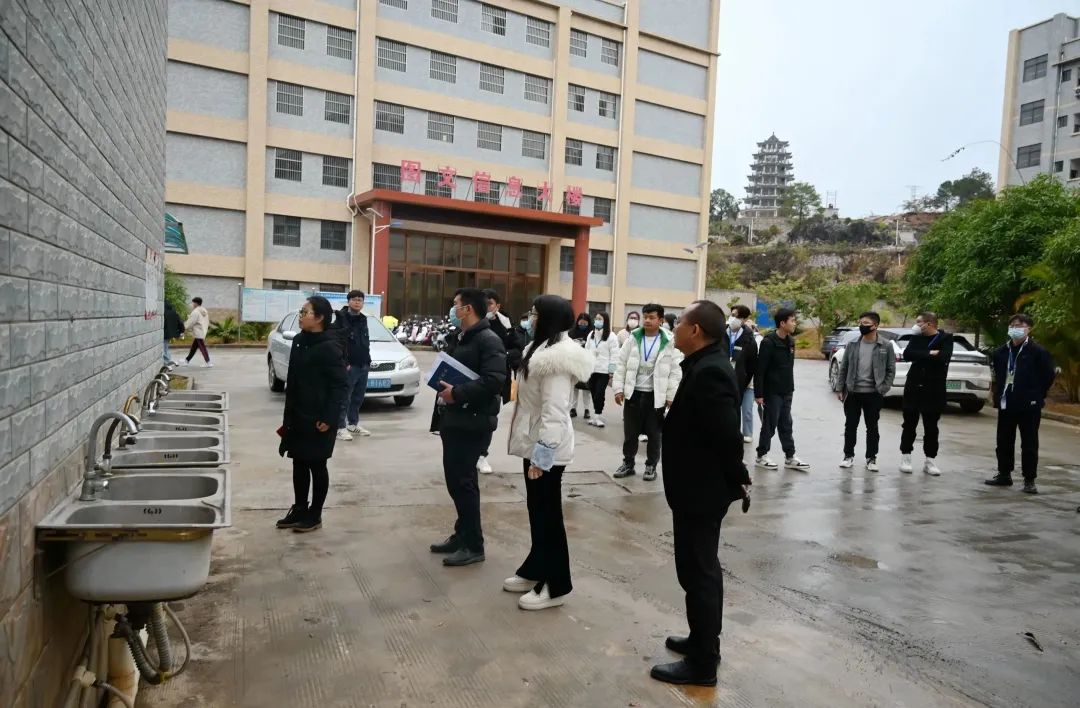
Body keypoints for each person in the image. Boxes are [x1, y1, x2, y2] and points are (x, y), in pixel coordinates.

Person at [650, 300, 751, 687]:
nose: (673, 327)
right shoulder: (702, 364)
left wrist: (739, 476)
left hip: (701, 491)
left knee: (700, 573)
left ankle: (703, 663)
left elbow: (727, 435)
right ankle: (701, 640)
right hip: (694, 488)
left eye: (678, 323)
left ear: (695, 331)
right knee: (695, 571)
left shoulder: (711, 371)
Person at [504, 295, 593, 610]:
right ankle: (536, 567)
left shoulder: (557, 358)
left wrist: (542, 458)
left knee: (548, 516)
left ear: (548, 318)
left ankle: (556, 585)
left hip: (547, 449)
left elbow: (555, 412)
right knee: (537, 511)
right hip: (535, 441)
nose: (530, 318)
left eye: (534, 313)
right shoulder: (539, 348)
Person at [430, 288, 507, 566]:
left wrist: (458, 393)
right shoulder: (461, 337)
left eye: (456, 305)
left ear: (468, 309)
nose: (453, 310)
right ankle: (461, 534)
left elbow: (494, 381)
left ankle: (474, 545)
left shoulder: (489, 340)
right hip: (454, 419)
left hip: (473, 421)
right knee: (456, 481)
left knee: (464, 483)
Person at [276, 296, 348, 533]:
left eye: (304, 312)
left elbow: (340, 386)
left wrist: (329, 418)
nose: (300, 315)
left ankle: (315, 514)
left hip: (319, 419)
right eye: (301, 311)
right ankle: (299, 508)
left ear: (319, 318)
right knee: (298, 463)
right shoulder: (299, 340)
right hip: (298, 414)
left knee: (317, 465)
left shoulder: (329, 347)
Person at [985, 313, 1056, 494]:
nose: (1015, 329)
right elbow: (998, 376)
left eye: (1019, 325)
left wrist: (1037, 394)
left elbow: (1048, 375)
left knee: (1029, 443)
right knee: (1003, 440)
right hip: (1007, 402)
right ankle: (1004, 474)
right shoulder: (1001, 352)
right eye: (1012, 325)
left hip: (1029, 404)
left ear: (1028, 329)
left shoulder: (1038, 352)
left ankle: (1029, 479)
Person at [612, 303, 683, 481]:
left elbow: (675, 371)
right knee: (630, 434)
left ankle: (651, 465)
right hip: (634, 393)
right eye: (645, 317)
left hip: (655, 396)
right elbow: (621, 364)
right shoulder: (633, 338)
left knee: (654, 434)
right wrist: (618, 389)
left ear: (660, 320)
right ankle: (628, 463)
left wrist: (670, 396)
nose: (647, 320)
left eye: (652, 317)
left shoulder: (670, 341)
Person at [833, 312, 895, 472]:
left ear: (875, 325)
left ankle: (871, 458)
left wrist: (883, 388)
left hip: (874, 393)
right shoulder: (853, 344)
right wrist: (840, 388)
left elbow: (890, 370)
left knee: (872, 427)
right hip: (853, 392)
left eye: (866, 323)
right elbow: (844, 367)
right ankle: (848, 456)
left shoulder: (886, 345)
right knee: (850, 426)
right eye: (860, 323)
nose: (862, 326)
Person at [475, 289, 526, 474]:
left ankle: (482, 455)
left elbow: (518, 350)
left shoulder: (505, 325)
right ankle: (469, 453)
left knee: (488, 419)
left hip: (496, 379)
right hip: (473, 377)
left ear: (497, 306)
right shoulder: (473, 322)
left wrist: (502, 355)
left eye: (490, 303)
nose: (486, 307)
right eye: (483, 303)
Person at [753, 308, 810, 470]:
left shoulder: (791, 341)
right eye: (792, 320)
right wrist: (759, 394)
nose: (795, 323)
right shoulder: (769, 342)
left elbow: (789, 367)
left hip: (787, 390)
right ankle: (761, 456)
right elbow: (760, 370)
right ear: (782, 323)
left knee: (786, 424)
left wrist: (790, 388)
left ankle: (790, 457)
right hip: (772, 391)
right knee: (769, 424)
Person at [900, 312, 954, 476]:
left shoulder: (945, 339)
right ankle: (906, 457)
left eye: (919, 322)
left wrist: (923, 354)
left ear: (929, 324)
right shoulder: (916, 338)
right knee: (909, 423)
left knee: (931, 426)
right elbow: (907, 355)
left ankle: (930, 460)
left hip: (934, 388)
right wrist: (930, 353)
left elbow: (944, 357)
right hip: (914, 386)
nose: (916, 325)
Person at [334, 290, 372, 441]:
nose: (357, 302)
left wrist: (368, 360)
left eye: (360, 300)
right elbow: (337, 342)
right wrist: (344, 362)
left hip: (363, 364)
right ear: (348, 301)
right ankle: (340, 427)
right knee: (345, 397)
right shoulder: (341, 318)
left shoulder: (363, 319)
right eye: (354, 299)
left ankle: (352, 424)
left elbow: (365, 341)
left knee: (358, 397)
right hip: (349, 366)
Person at [727, 305, 758, 443]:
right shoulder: (721, 333)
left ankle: (736, 439)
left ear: (744, 320)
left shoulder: (749, 339)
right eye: (732, 314)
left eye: (736, 316)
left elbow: (752, 365)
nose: (732, 318)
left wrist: (743, 381)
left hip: (738, 382)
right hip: (721, 380)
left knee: (737, 412)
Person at [584, 311, 619, 428]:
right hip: (591, 369)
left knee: (599, 393)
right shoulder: (591, 334)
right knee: (593, 392)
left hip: (603, 371)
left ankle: (598, 416)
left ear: (605, 321)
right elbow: (586, 350)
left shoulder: (611, 336)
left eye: (600, 319)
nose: (597, 321)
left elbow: (614, 355)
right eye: (596, 318)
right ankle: (596, 415)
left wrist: (611, 371)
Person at [569, 312, 591, 418]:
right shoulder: (572, 332)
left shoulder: (591, 334)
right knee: (575, 387)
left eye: (585, 323)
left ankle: (587, 409)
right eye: (581, 323)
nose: (582, 325)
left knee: (587, 388)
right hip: (575, 362)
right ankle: (573, 408)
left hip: (586, 363)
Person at [181, 296, 211, 367]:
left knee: (202, 348)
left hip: (198, 332)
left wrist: (183, 327)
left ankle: (208, 362)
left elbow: (191, 322)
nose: (192, 304)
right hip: (202, 330)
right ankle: (187, 360)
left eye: (193, 303)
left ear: (196, 303)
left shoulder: (195, 312)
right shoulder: (204, 311)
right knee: (194, 348)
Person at [162, 301, 184, 366]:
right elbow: (180, 323)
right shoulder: (174, 313)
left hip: (164, 333)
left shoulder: (163, 313)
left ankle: (167, 362)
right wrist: (181, 331)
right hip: (170, 334)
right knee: (166, 347)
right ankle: (167, 360)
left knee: (164, 347)